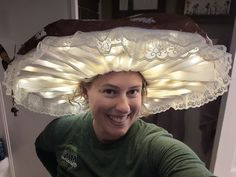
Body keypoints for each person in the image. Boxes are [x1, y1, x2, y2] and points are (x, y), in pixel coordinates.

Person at [4, 27, 231, 177]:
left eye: (133, 92)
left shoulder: (154, 147)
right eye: (110, 92)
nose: (124, 107)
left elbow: (184, 165)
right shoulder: (63, 129)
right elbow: (43, 147)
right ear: (85, 93)